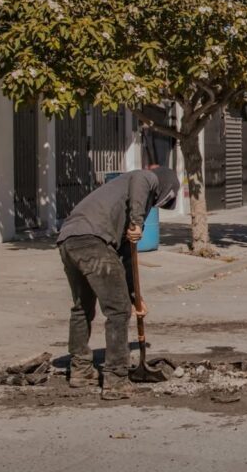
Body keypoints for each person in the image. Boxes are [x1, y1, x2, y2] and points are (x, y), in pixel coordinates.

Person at [56, 167, 180, 400]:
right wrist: (136, 222)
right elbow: (142, 178)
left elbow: (124, 259)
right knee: (118, 311)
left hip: (69, 239)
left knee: (82, 308)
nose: (154, 206)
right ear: (163, 189)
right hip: (93, 240)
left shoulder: (122, 197)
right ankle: (116, 379)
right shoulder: (145, 178)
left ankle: (81, 371)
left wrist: (135, 296)